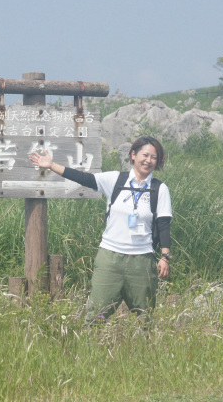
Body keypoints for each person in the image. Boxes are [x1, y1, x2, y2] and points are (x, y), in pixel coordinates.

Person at [28, 136, 173, 323]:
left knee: (145, 318)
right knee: (95, 315)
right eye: (145, 155)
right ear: (133, 155)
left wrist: (164, 257)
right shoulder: (115, 180)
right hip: (109, 258)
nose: (148, 160)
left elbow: (164, 224)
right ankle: (88, 349)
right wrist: (52, 165)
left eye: (154, 157)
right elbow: (84, 178)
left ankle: (147, 348)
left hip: (142, 260)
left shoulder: (159, 189)